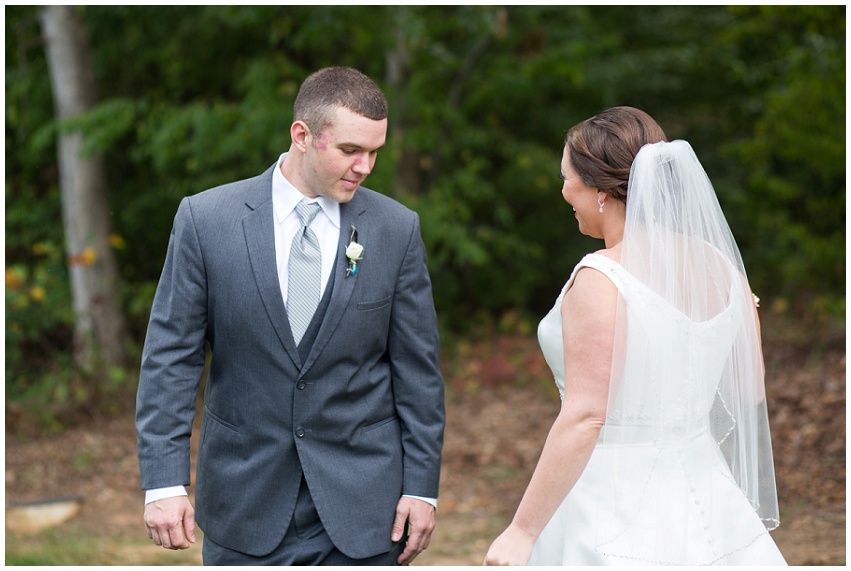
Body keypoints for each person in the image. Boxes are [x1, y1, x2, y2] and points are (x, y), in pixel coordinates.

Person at [136, 66, 445, 566]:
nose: (365, 166)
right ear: (302, 135)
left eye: (375, 153)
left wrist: (422, 489)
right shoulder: (206, 220)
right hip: (245, 502)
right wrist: (164, 481)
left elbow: (418, 373)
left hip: (366, 507)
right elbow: (170, 358)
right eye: (350, 151)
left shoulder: (395, 229)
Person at [483, 107, 786, 565]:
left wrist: (522, 531)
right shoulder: (724, 269)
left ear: (600, 190)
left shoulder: (601, 277)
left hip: (611, 500)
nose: (563, 190)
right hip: (706, 495)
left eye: (566, 177)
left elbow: (586, 416)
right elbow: (749, 387)